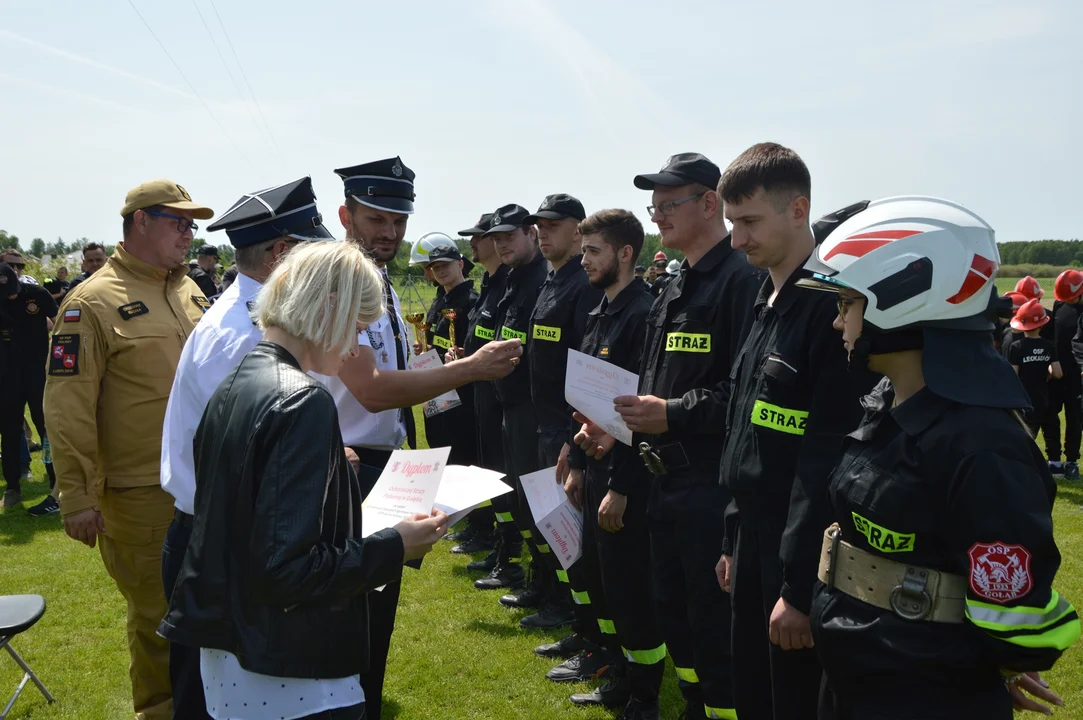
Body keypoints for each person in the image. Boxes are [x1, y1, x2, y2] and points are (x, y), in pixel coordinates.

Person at [800, 195, 1080, 719]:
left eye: (845, 304)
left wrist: (989, 668)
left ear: (902, 298)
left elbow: (1012, 609)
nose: (838, 323)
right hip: (856, 680)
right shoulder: (886, 401)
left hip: (922, 695)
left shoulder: (983, 443)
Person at [160, 240, 449, 720]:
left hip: (234, 653)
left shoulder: (241, 377)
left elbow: (249, 517)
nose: (355, 348)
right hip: (289, 668)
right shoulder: (304, 401)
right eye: (357, 329)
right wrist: (396, 546)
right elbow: (287, 570)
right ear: (329, 308)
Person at [320, 157, 521, 720]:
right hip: (344, 462)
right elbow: (372, 390)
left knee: (374, 611)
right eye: (376, 218)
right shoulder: (339, 280)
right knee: (348, 612)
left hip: (380, 460)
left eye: (398, 221)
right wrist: (471, 369)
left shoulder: (375, 277)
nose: (388, 231)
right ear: (346, 214)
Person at [577, 152, 762, 720]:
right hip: (663, 481)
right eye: (652, 205)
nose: (657, 215)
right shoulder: (677, 286)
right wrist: (618, 430)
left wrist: (673, 413)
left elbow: (745, 396)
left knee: (712, 629)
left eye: (668, 203)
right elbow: (652, 384)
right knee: (676, 617)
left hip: (709, 485)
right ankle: (692, 706)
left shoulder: (739, 281)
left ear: (711, 204)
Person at [159, 177, 332, 719]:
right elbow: (250, 462)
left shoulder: (249, 317)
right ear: (282, 253)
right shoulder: (245, 333)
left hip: (217, 531)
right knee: (213, 698)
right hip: (223, 539)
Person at [714, 143, 875, 720]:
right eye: (733, 223)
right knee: (752, 694)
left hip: (799, 550)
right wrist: (733, 538)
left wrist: (800, 590)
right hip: (753, 542)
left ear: (798, 208)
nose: (737, 240)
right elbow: (746, 432)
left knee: (794, 702)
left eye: (749, 222)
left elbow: (826, 458)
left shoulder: (830, 313)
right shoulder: (764, 300)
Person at [43, 179, 214, 720]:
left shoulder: (190, 292)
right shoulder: (90, 303)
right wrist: (76, 494)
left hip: (209, 482)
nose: (191, 234)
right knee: (158, 618)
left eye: (193, 225)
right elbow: (67, 406)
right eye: (180, 222)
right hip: (141, 493)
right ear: (141, 221)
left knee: (210, 610)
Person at [563, 209, 664, 719]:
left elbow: (639, 409)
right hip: (595, 462)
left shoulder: (643, 314)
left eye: (593, 251)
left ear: (626, 253)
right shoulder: (601, 310)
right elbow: (589, 396)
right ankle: (617, 672)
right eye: (583, 251)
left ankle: (645, 696)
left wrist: (620, 485)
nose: (584, 260)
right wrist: (579, 455)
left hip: (628, 472)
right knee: (604, 581)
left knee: (630, 588)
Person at [517, 194, 603, 643]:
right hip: (542, 424)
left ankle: (581, 623)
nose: (542, 232)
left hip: (566, 430)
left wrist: (573, 437)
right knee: (553, 528)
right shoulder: (552, 283)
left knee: (574, 536)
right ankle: (564, 606)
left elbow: (587, 372)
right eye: (539, 226)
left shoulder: (583, 286)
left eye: (553, 225)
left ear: (578, 229)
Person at [473, 204, 550, 601]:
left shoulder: (541, 281)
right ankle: (537, 579)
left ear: (532, 234)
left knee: (539, 503)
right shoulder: (513, 280)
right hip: (507, 406)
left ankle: (548, 587)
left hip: (531, 410)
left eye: (510, 236)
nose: (501, 243)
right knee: (520, 498)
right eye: (496, 237)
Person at [452, 213, 515, 569]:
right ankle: (499, 546)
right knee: (488, 468)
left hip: (502, 397)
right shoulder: (491, 284)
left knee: (502, 475)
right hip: (482, 394)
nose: (474, 243)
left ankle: (509, 554)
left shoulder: (508, 282)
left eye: (481, 236)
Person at [0, 262, 58, 510]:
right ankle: (13, 487)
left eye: (13, 292)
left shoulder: (37, 294)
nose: (10, 297)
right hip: (7, 375)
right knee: (10, 431)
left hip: (37, 373)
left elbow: (60, 324)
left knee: (46, 429)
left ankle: (56, 485)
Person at [419, 243, 480, 472]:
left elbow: (476, 346)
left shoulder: (472, 300)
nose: (440, 271)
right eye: (435, 267)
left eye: (446, 265)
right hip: (436, 387)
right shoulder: (440, 300)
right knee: (438, 448)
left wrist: (462, 353)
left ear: (461, 264)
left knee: (461, 457)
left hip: (461, 393)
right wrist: (424, 348)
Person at [1045, 269, 1083, 478]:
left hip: (1078, 374)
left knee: (1074, 417)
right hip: (1056, 371)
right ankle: (1053, 460)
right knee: (1051, 415)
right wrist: (1052, 362)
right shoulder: (1059, 305)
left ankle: (1071, 460)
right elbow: (1053, 336)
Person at [1009, 298, 1061, 436]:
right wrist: (1047, 367)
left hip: (1023, 399)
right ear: (1041, 325)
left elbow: (1013, 375)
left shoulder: (1016, 346)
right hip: (1042, 399)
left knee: (1024, 437)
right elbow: (1058, 373)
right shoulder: (1049, 346)